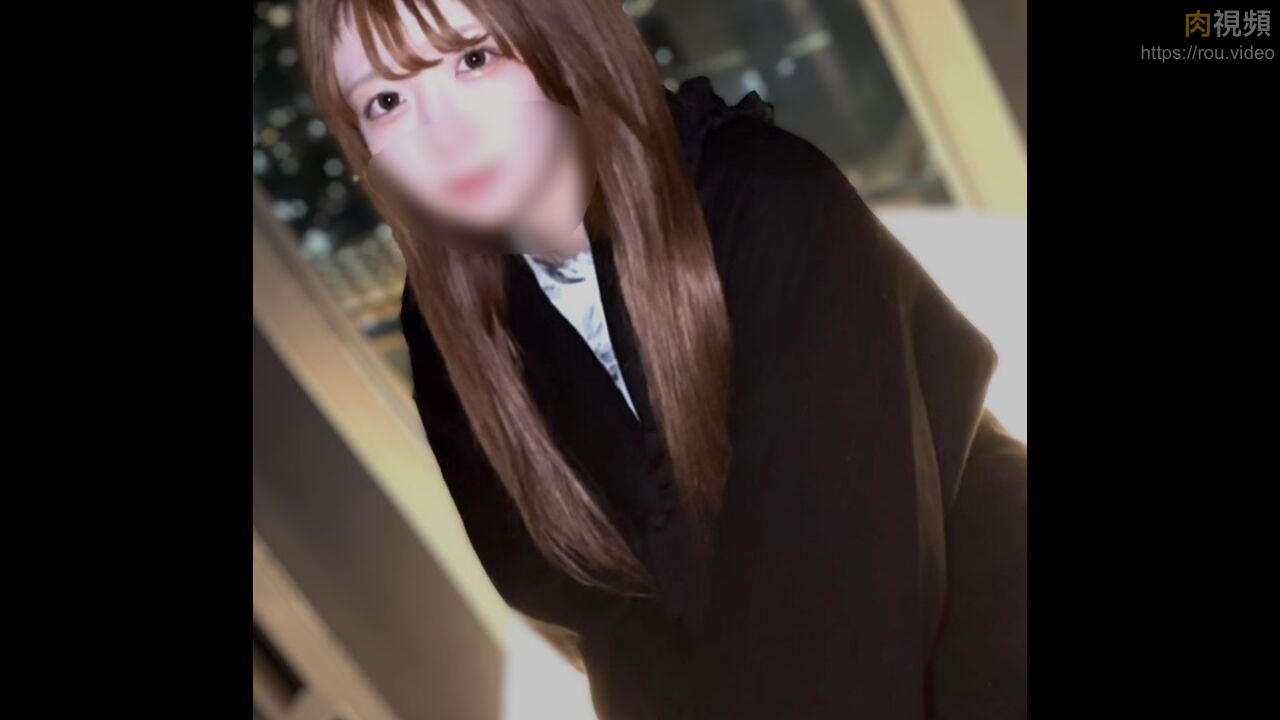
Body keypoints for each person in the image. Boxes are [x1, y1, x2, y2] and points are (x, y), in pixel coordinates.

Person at [298, 1, 1027, 717]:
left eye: (474, 59)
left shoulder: (764, 197)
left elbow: (849, 584)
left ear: (561, 38)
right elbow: (601, 625)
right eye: (386, 101)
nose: (442, 132)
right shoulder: (446, 329)